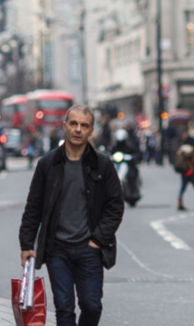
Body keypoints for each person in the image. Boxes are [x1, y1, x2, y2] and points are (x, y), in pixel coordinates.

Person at [18, 104, 124, 326]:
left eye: (84, 126)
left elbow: (116, 205)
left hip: (90, 250)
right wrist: (27, 244)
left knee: (92, 305)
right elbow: (33, 207)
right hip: (58, 251)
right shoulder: (47, 164)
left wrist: (98, 239)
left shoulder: (102, 164)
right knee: (64, 309)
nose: (78, 129)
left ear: (91, 130)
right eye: (73, 124)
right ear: (64, 126)